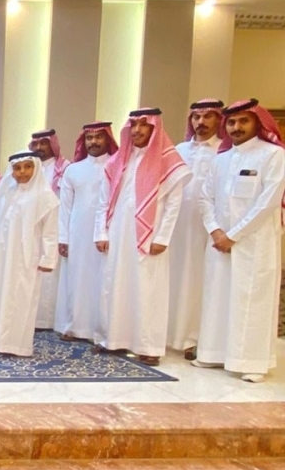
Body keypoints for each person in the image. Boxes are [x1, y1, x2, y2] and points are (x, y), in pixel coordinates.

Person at [195, 99, 285, 383]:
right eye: (232, 122)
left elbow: (268, 202)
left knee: (251, 299)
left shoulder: (273, 156)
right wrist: (215, 231)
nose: (236, 127)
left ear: (258, 123)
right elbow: (205, 198)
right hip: (219, 242)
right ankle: (212, 353)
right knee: (217, 295)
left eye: (243, 121)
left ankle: (251, 362)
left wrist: (234, 235)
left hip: (254, 243)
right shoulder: (220, 159)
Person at [95, 108, 189, 365]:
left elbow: (173, 204)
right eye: (133, 125)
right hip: (117, 232)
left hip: (150, 234)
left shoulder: (169, 160)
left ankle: (148, 346)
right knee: (114, 284)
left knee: (148, 289)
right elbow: (103, 201)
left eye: (143, 125)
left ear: (154, 127)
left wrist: (162, 237)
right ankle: (113, 340)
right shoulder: (117, 161)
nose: (137, 130)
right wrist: (101, 232)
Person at [0, 151, 59, 357]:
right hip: (2, 255)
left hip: (26, 257)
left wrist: (48, 258)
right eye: (17, 168)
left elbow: (50, 232)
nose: (22, 172)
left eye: (27, 167)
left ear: (36, 168)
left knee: (20, 297)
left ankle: (14, 345)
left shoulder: (45, 197)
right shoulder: (7, 193)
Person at [167, 100, 226, 359]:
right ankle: (171, 334)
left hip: (210, 227)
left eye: (207, 116)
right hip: (179, 225)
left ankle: (198, 338)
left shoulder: (225, 151)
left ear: (219, 120)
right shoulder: (179, 150)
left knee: (204, 279)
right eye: (196, 117)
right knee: (177, 275)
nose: (201, 122)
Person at [55, 122, 118, 342]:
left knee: (104, 280)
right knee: (77, 278)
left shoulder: (117, 165)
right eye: (89, 138)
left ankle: (103, 332)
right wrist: (63, 238)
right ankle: (75, 327)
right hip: (78, 233)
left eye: (99, 137)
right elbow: (65, 207)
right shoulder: (73, 169)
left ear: (107, 139)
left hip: (109, 232)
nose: (94, 142)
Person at [29, 129, 69, 329]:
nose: (39, 148)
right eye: (35, 144)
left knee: (52, 274)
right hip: (32, 228)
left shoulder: (65, 168)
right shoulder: (29, 167)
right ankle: (32, 317)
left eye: (43, 143)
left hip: (56, 227)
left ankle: (50, 320)